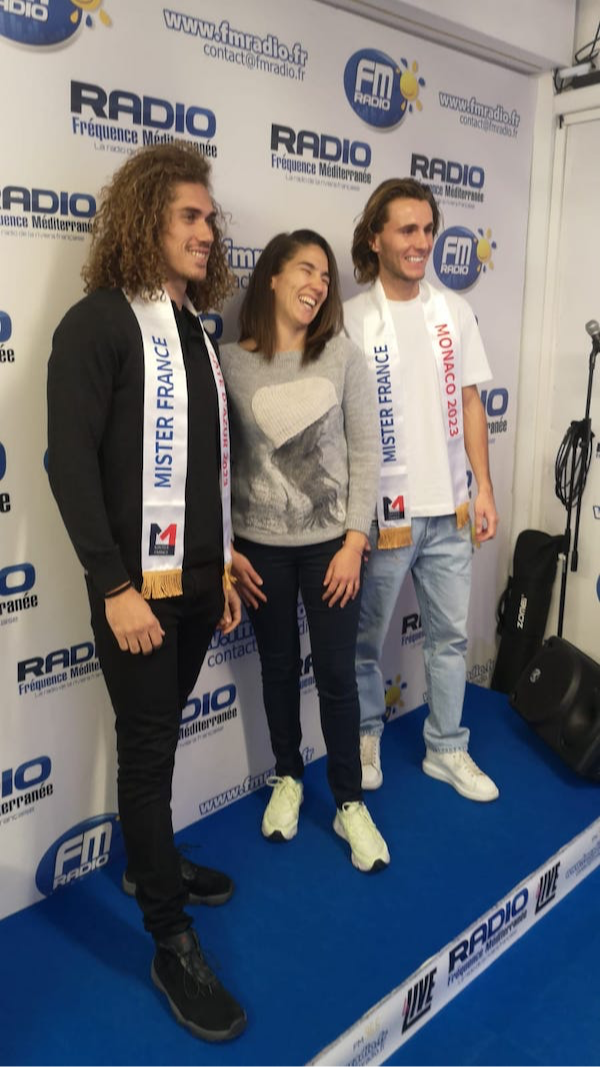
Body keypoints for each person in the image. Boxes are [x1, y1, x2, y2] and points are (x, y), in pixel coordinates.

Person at [47, 142, 246, 1042]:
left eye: (210, 217)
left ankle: (146, 861)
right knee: (146, 747)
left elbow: (207, 468)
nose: (208, 232)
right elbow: (71, 468)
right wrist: (114, 586)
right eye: (189, 217)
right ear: (144, 221)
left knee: (157, 746)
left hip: (199, 583)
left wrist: (221, 563)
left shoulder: (194, 331)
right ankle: (169, 937)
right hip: (136, 593)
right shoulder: (95, 324)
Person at [220, 230, 390, 873]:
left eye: (326, 276)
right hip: (259, 551)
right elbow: (216, 464)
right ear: (271, 275)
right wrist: (225, 549)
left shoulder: (341, 356)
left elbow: (366, 451)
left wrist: (354, 540)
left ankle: (349, 802)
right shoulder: (229, 363)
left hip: (331, 550)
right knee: (277, 669)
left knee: (338, 677)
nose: (318, 285)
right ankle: (287, 776)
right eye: (305, 269)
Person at [344, 178, 500, 802]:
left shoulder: (453, 311)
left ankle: (447, 748)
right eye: (407, 229)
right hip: (383, 518)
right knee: (364, 643)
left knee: (450, 641)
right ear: (375, 237)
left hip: (450, 511)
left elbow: (471, 402)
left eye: (428, 229)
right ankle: (364, 736)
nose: (421, 242)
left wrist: (484, 489)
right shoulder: (351, 318)